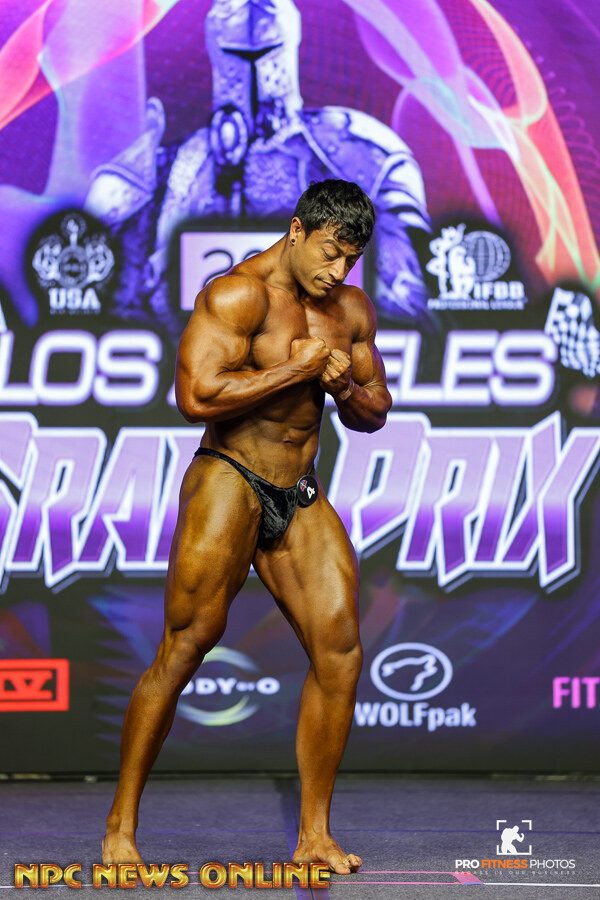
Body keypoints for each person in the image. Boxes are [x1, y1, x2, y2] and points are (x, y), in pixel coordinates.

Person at [101, 179, 392, 875]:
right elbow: (195, 396)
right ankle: (120, 826)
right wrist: (293, 371)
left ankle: (314, 836)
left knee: (341, 650)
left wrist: (343, 388)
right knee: (186, 645)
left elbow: (375, 410)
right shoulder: (237, 295)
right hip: (229, 477)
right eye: (329, 252)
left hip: (299, 487)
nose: (338, 271)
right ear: (297, 230)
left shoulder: (350, 310)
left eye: (351, 259)